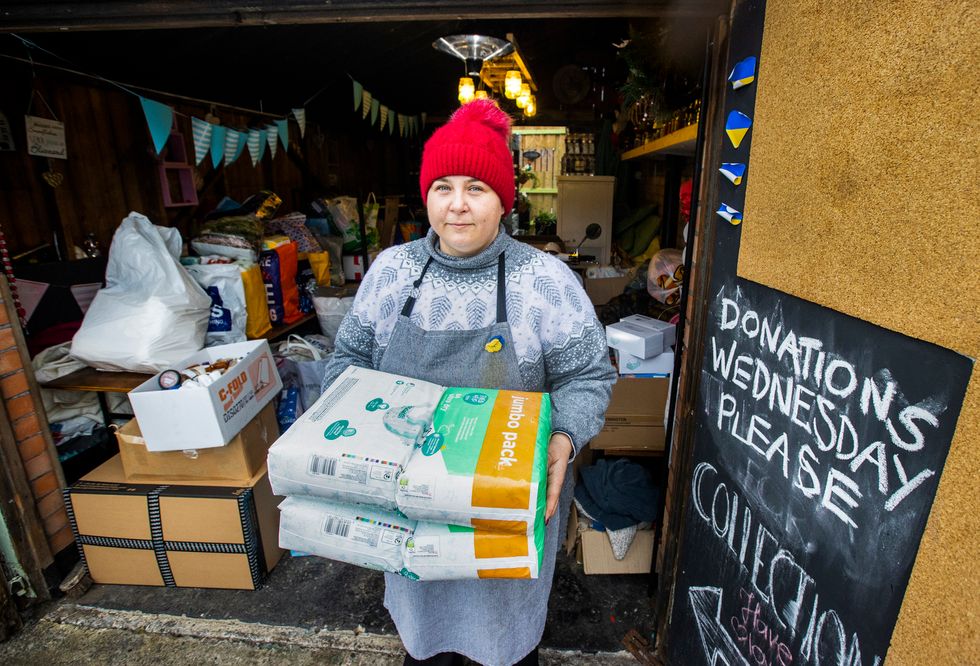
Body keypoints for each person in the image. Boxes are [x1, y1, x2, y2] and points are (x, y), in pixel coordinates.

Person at [321, 99, 615, 666]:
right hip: (408, 506)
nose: (457, 204)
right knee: (426, 643)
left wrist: (564, 437)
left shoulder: (545, 281)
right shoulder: (391, 273)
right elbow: (349, 361)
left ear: (504, 200)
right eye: (443, 187)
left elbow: (588, 375)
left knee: (502, 644)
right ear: (426, 195)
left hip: (503, 510)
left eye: (476, 188)